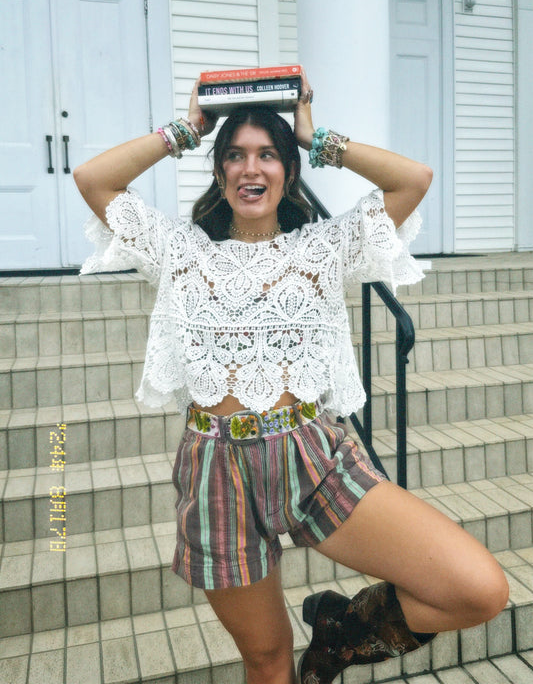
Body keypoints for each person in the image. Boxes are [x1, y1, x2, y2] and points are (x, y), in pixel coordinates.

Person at [74, 71, 508, 684]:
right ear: (220, 171)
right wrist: (186, 129)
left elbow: (413, 179)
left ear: (289, 171)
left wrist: (314, 136)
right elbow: (94, 180)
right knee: (268, 659)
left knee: (477, 588)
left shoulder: (324, 249)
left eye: (268, 155)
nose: (252, 169)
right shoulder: (179, 249)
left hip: (311, 456)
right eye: (236, 156)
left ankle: (341, 638)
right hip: (213, 471)